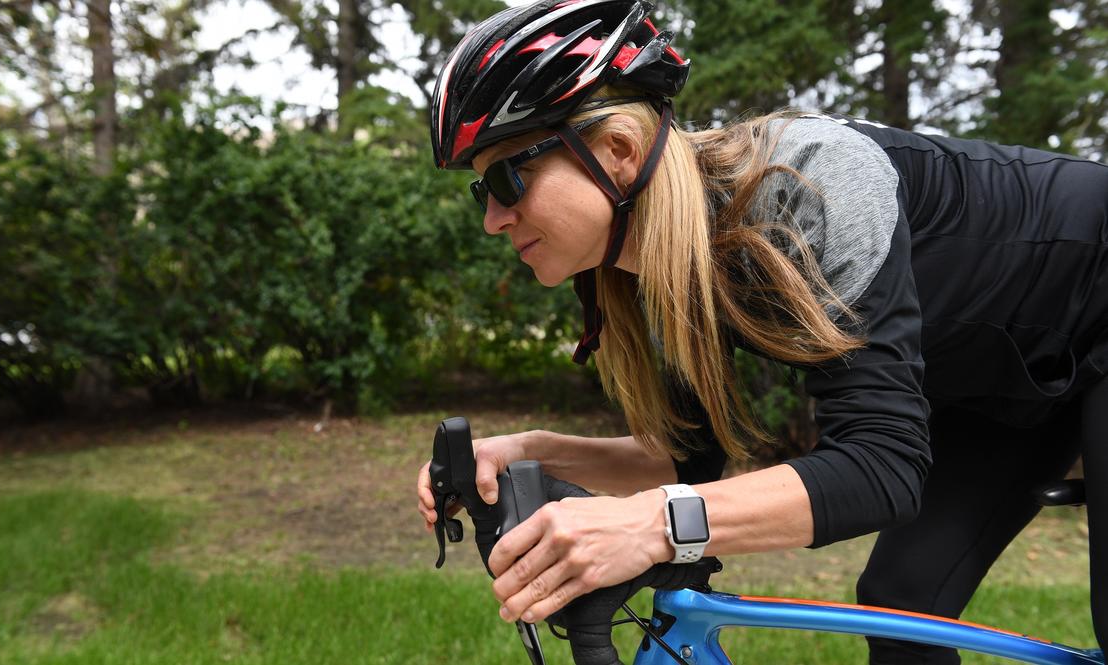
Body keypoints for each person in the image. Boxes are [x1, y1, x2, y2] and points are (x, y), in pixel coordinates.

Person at [414, 1, 1108, 661]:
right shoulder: (654, 258)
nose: (493, 219)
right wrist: (534, 452)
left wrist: (646, 523)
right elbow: (689, 460)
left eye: (508, 180)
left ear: (618, 149)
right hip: (1006, 379)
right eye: (484, 192)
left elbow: (880, 469)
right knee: (904, 599)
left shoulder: (804, 184)